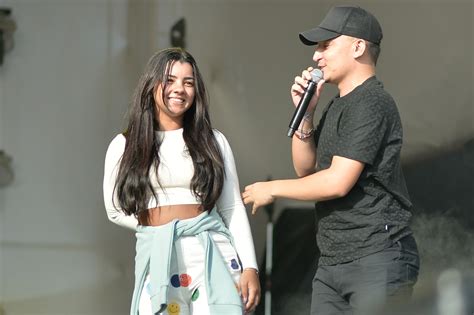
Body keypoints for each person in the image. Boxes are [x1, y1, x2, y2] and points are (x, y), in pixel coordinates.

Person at [242, 5, 419, 315]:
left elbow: (337, 181)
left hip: (376, 255)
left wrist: (272, 190)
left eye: (326, 45)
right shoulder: (338, 104)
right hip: (333, 262)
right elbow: (306, 169)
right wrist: (307, 114)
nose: (316, 56)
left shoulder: (372, 101)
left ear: (358, 47)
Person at [103, 48, 260, 315]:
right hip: (158, 253)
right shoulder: (125, 144)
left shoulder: (214, 141)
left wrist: (250, 267)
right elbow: (114, 210)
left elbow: (231, 207)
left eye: (188, 82)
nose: (180, 89)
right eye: (170, 80)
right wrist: (161, 228)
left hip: (213, 253)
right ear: (151, 84)